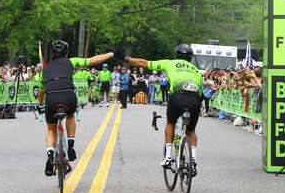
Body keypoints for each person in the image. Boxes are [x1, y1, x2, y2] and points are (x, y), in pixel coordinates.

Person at [117, 44, 203, 175]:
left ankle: (168, 157)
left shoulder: (170, 63)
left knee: (171, 123)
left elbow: (143, 63)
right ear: (190, 58)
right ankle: (194, 162)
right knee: (191, 130)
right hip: (194, 98)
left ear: (176, 55)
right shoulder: (196, 70)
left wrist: (126, 58)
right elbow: (201, 92)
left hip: (178, 96)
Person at [37, 40, 114, 177]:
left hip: (52, 98)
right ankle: (71, 145)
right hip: (68, 95)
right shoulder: (71, 61)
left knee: (51, 128)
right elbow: (93, 61)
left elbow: (41, 93)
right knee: (70, 115)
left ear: (52, 53)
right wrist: (111, 54)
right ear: (66, 53)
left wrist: (40, 105)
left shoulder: (45, 69)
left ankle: (50, 156)